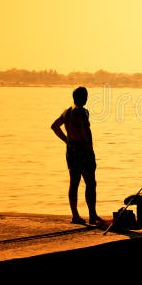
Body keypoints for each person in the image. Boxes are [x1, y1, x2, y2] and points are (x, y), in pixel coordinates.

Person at [51, 86, 105, 225]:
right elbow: (85, 130)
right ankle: (92, 215)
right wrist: (90, 148)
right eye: (85, 96)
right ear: (80, 97)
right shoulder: (82, 112)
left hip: (71, 150)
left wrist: (66, 140)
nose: (87, 99)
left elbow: (54, 126)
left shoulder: (67, 112)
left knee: (74, 183)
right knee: (91, 183)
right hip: (83, 150)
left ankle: (75, 215)